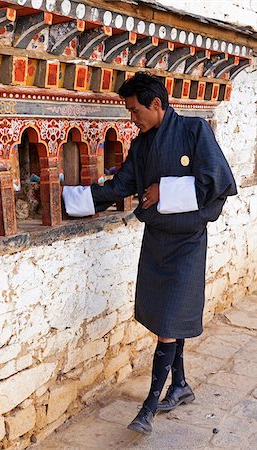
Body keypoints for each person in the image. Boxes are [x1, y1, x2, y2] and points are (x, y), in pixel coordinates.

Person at [62, 72, 237, 434]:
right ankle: (181, 386)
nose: (132, 118)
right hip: (157, 239)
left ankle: (149, 405)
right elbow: (123, 184)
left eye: (134, 109)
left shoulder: (195, 131)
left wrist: (163, 191)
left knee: (169, 323)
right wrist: (70, 199)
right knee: (167, 318)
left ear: (156, 105)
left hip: (187, 240)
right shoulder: (141, 145)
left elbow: (216, 180)